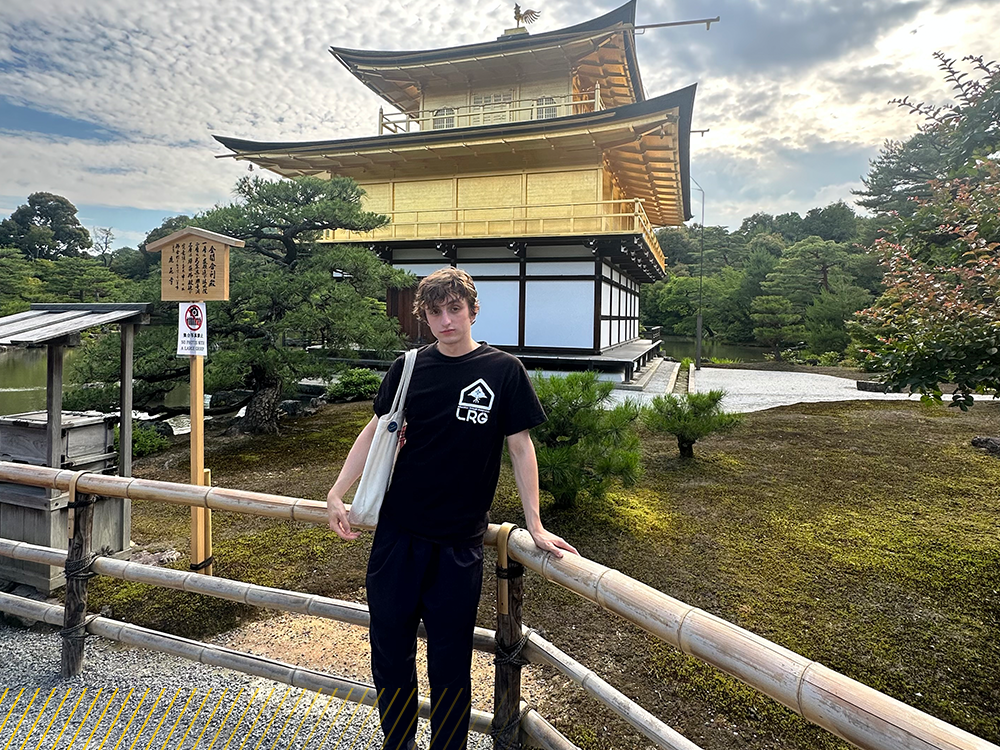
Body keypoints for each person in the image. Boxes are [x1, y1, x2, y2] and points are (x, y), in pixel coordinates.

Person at [327, 267, 576, 750]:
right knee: (390, 652)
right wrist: (338, 491)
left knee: (450, 660)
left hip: (459, 542)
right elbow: (374, 431)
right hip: (397, 536)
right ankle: (398, 742)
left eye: (454, 309)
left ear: (473, 311)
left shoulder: (504, 371)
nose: (446, 320)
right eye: (435, 312)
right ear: (424, 316)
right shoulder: (409, 368)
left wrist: (535, 524)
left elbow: (521, 448)